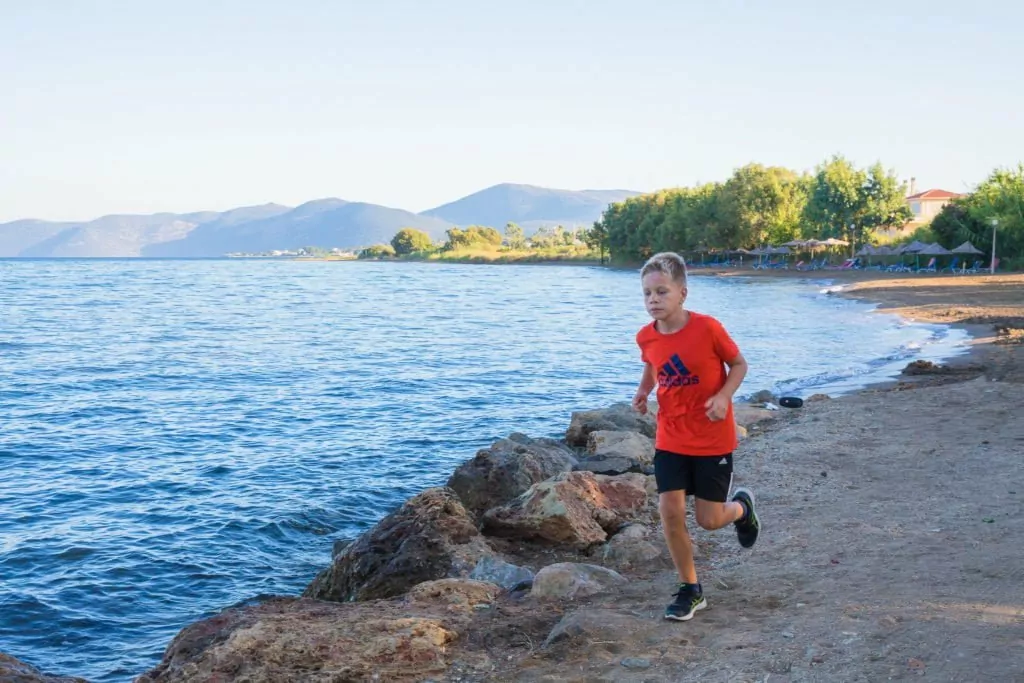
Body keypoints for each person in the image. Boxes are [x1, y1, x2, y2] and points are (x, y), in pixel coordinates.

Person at [632, 252, 760, 621]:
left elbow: (739, 365)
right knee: (670, 510)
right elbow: (653, 365)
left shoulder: (708, 329)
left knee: (709, 520)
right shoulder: (646, 336)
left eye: (661, 292)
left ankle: (742, 509)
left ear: (682, 293)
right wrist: (643, 391)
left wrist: (723, 397)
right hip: (670, 436)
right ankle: (690, 589)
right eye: (647, 293)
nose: (653, 300)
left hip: (711, 439)